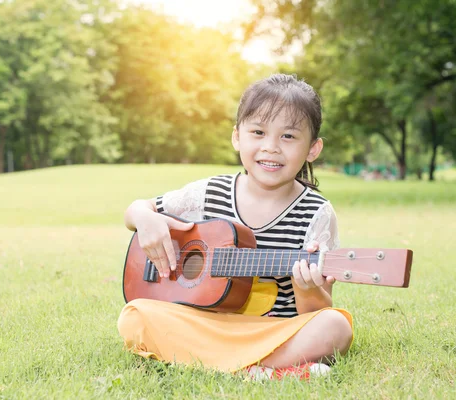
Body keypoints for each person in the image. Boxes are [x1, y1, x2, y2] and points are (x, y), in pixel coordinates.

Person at [118, 73, 353, 380]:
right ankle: (269, 370)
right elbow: (135, 211)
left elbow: (314, 312)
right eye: (258, 132)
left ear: (312, 149)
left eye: (288, 136)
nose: (271, 147)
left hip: (271, 331)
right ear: (237, 137)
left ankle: (234, 365)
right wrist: (144, 218)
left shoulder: (316, 213)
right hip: (205, 325)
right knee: (134, 316)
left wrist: (305, 288)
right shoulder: (208, 192)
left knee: (334, 326)